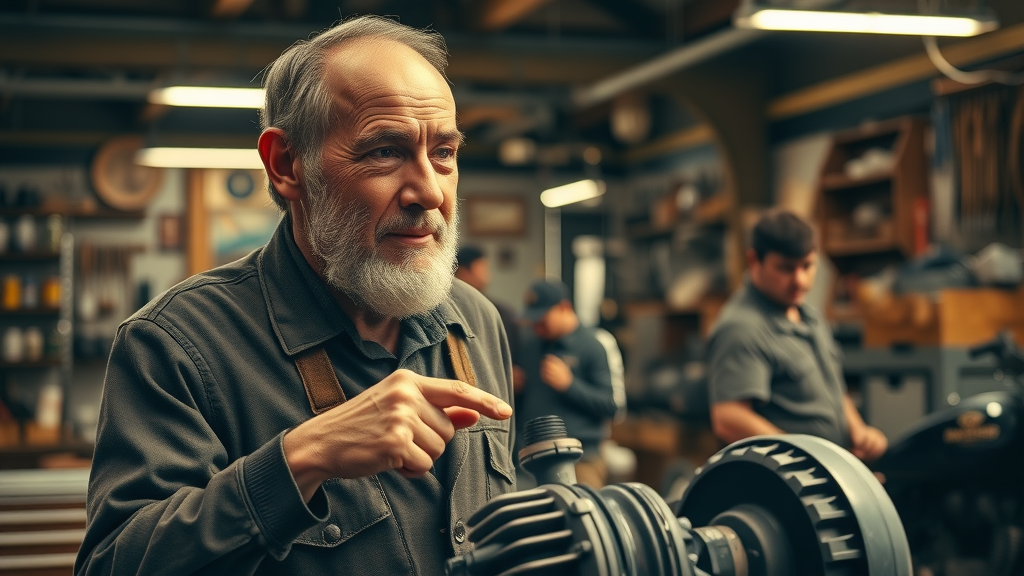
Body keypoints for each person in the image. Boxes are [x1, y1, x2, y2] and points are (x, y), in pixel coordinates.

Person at [75, 16, 516, 576]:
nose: (429, 190)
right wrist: (301, 460)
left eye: (445, 153)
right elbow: (111, 565)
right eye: (385, 151)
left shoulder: (474, 320)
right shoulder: (176, 346)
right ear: (287, 165)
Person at [706, 210, 887, 462]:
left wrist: (859, 432)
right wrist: (804, 457)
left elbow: (834, 390)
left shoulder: (808, 316)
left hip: (834, 469)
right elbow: (728, 417)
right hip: (793, 482)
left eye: (807, 266)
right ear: (754, 260)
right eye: (785, 268)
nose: (800, 280)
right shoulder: (742, 327)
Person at [517, 279, 620, 488]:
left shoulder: (592, 347)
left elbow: (609, 406)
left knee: (582, 515)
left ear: (564, 308)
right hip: (530, 459)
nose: (537, 328)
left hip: (580, 459)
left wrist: (569, 385)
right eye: (534, 322)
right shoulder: (530, 346)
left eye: (543, 320)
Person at [455, 245, 524, 392]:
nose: (487, 274)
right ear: (462, 271)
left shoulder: (500, 311)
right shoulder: (449, 311)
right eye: (482, 267)